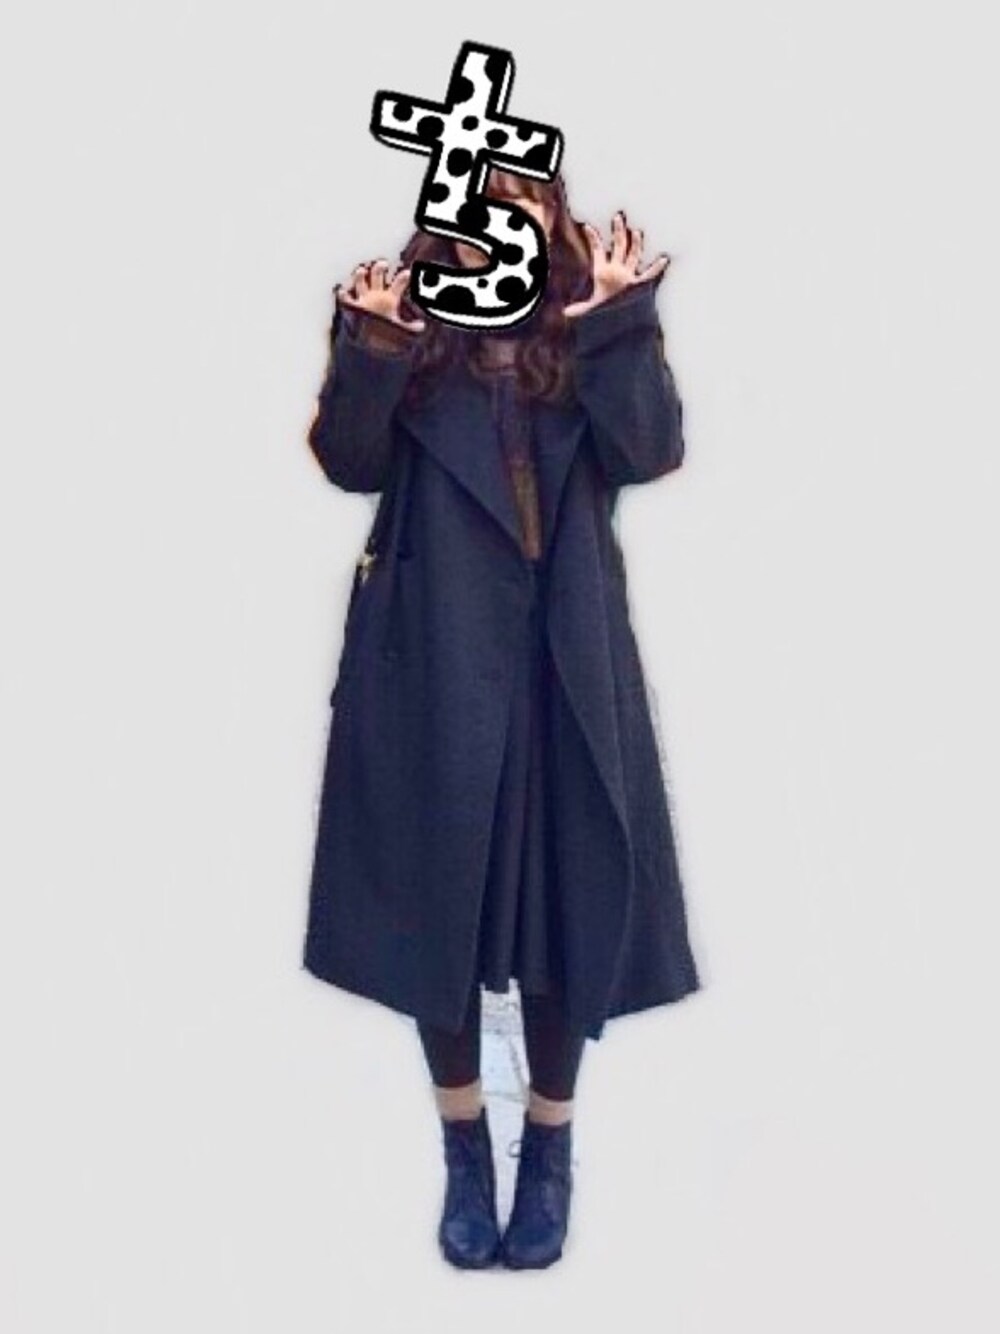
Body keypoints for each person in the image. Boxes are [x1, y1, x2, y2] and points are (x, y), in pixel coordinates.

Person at [303, 168, 701, 1270]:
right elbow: (348, 461)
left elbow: (652, 450)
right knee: (441, 906)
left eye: (521, 208)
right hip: (434, 662)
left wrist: (618, 323)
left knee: (569, 900)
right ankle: (466, 1151)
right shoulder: (404, 324)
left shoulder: (586, 328)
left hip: (563, 664)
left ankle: (552, 1150)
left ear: (548, 224)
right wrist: (374, 345)